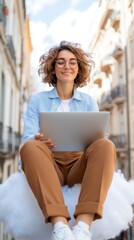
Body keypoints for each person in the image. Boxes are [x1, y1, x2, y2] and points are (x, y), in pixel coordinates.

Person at [20, 41, 116, 240]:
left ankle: (83, 226)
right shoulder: (38, 100)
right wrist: (38, 140)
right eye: (61, 62)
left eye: (73, 62)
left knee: (106, 145)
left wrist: (99, 138)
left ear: (78, 68)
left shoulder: (89, 101)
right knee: (30, 146)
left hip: (78, 164)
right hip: (49, 162)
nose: (67, 67)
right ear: (53, 69)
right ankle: (60, 225)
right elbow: (29, 136)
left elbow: (97, 138)